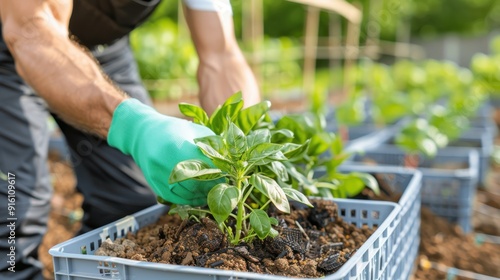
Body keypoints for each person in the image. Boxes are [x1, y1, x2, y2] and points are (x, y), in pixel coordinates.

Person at [0, 0, 260, 279]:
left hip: (101, 46)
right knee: (16, 211)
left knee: (132, 203)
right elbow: (30, 30)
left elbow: (220, 56)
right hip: (19, 33)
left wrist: (242, 150)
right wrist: (134, 127)